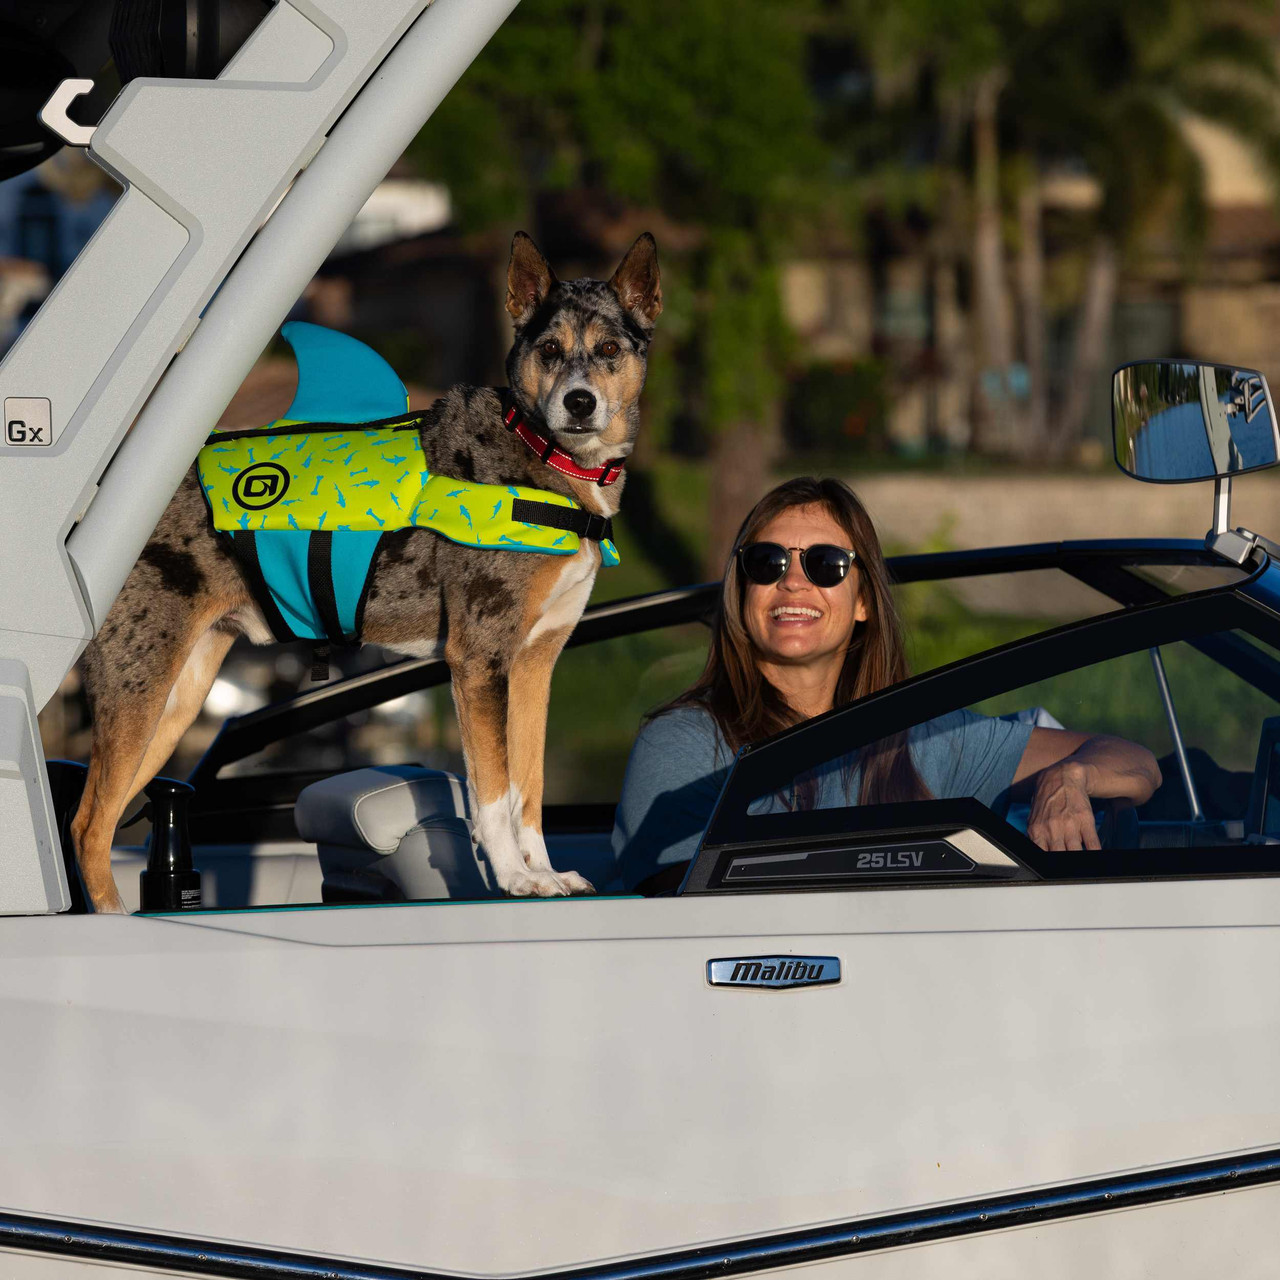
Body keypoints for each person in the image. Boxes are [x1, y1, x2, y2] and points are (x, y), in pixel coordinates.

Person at [612, 477, 1161, 890]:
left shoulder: (921, 738)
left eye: (826, 564)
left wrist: (1069, 778)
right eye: (768, 562)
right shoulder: (685, 743)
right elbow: (676, 931)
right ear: (743, 589)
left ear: (865, 601)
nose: (794, 581)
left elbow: (1136, 763)